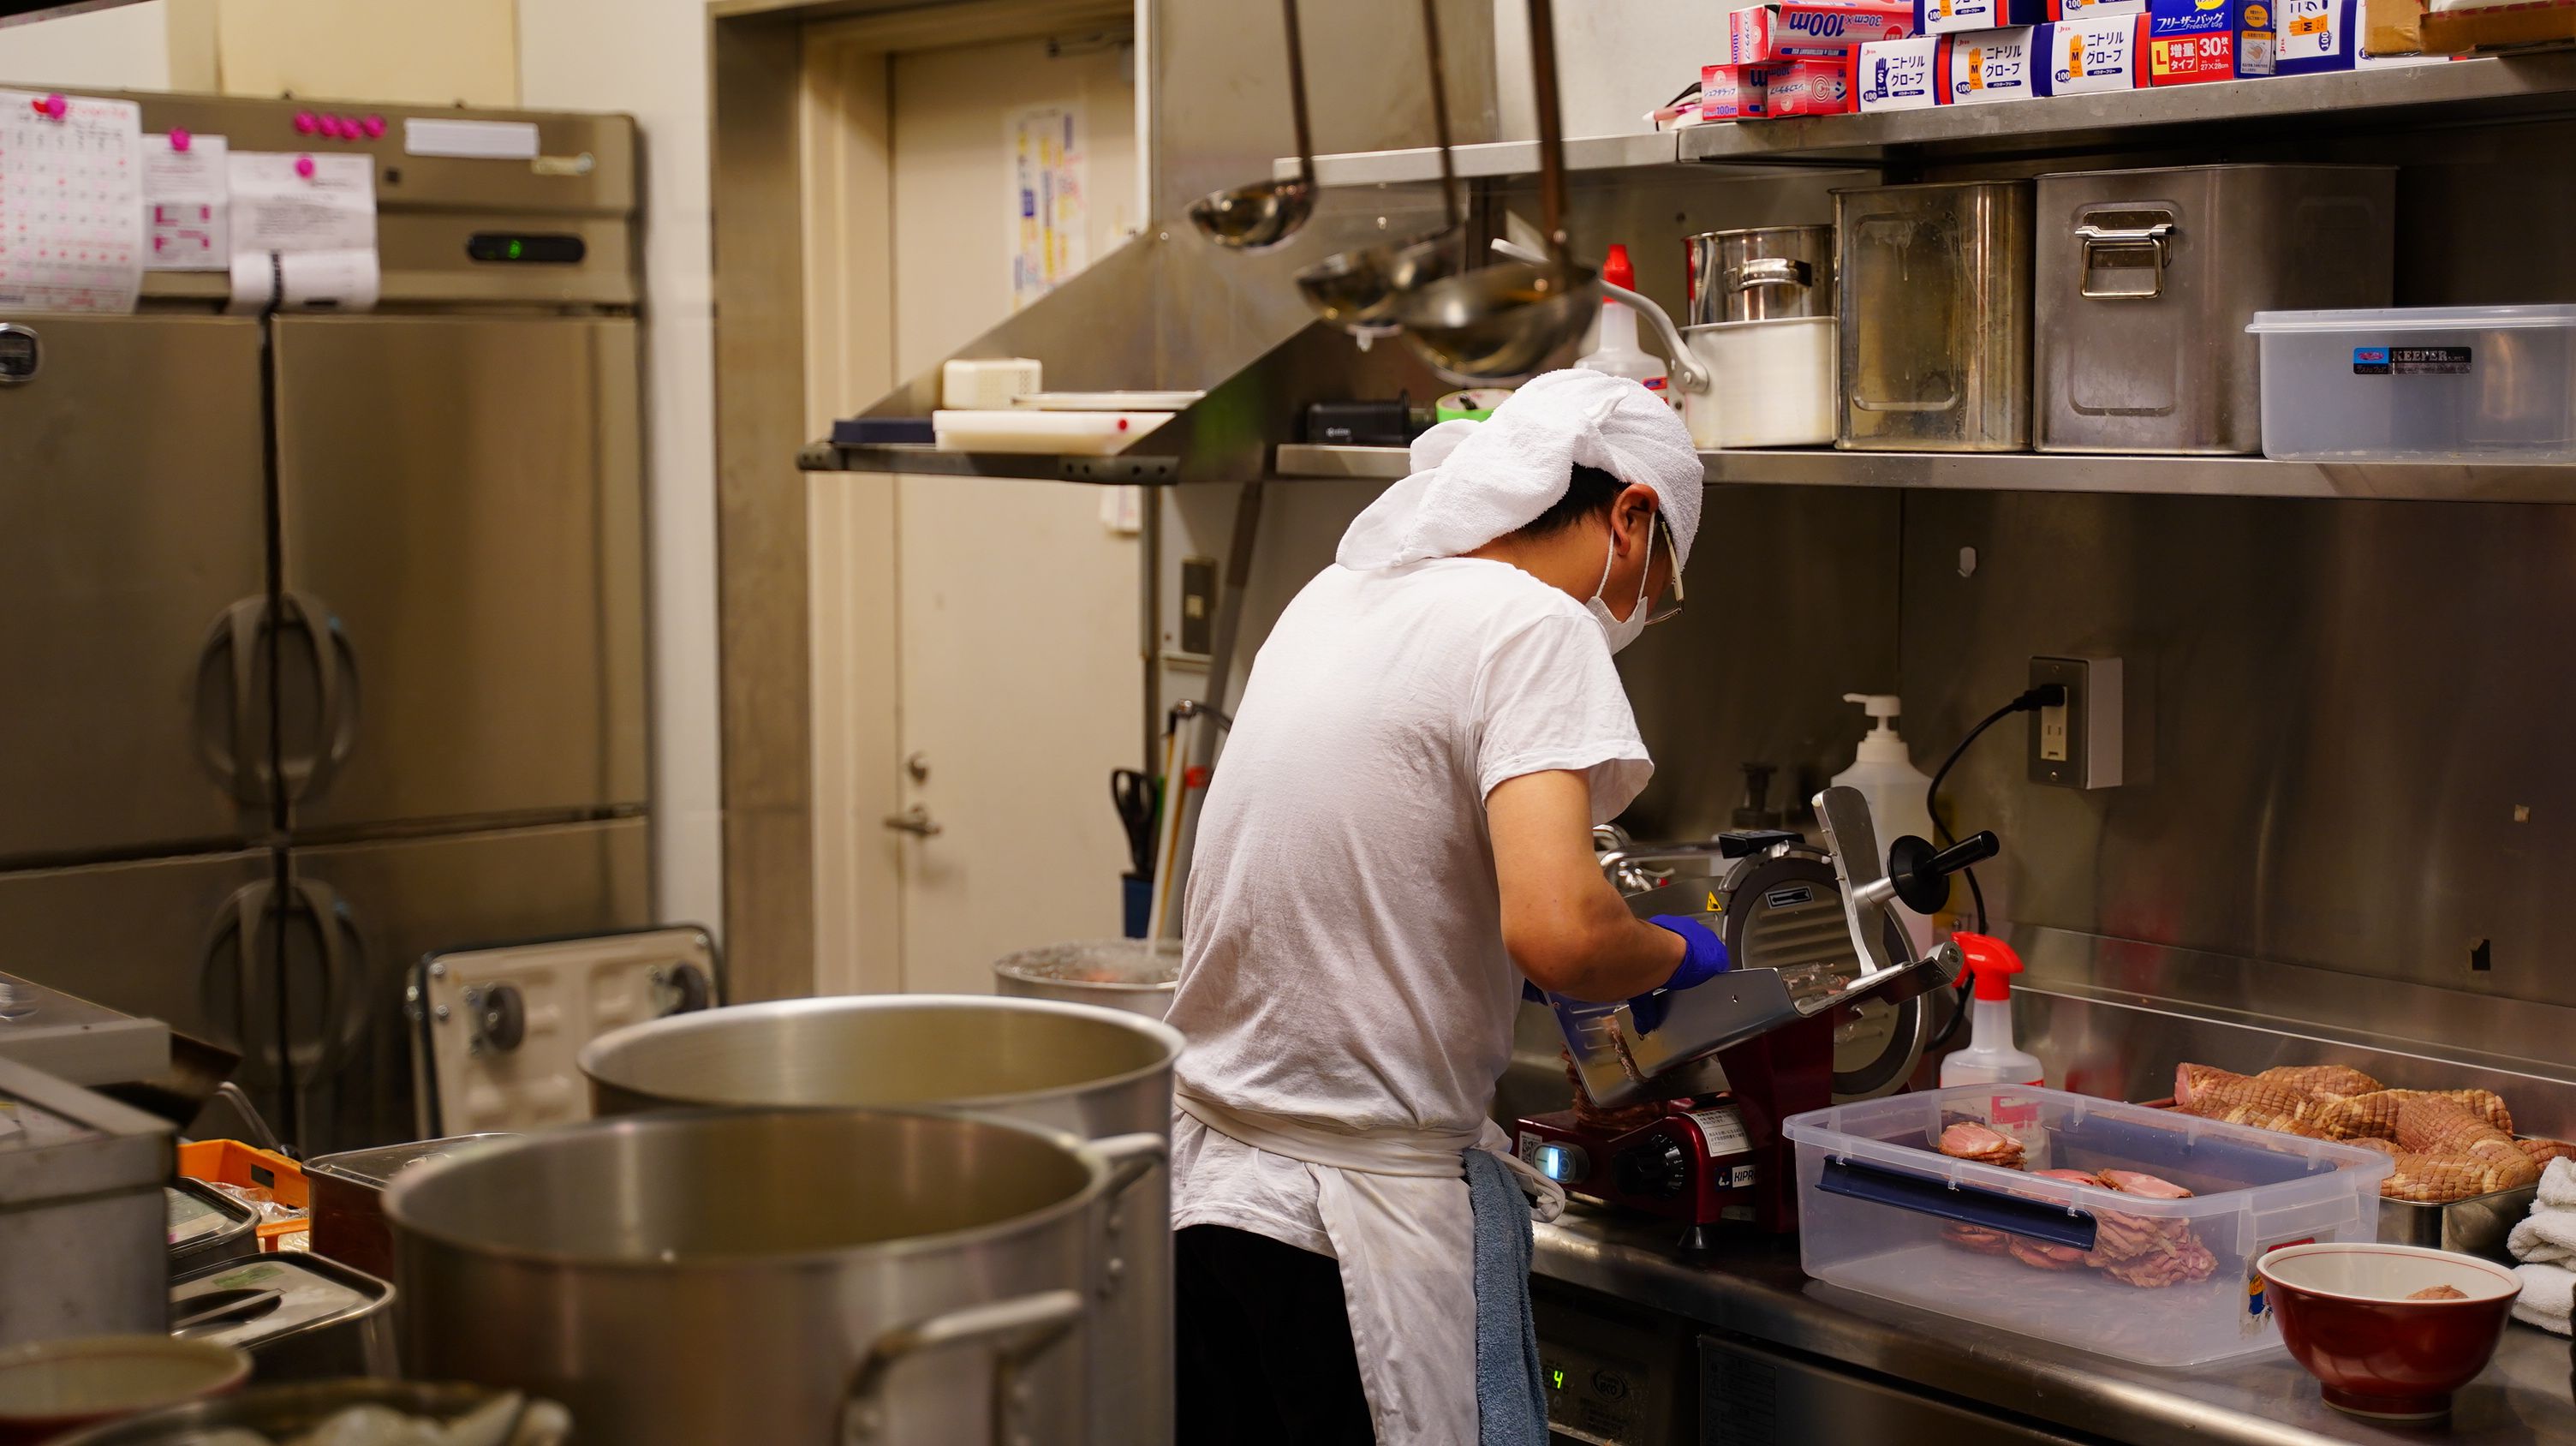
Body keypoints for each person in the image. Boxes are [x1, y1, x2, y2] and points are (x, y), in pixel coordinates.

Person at [1166, 370, 1729, 1445]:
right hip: (1346, 1236)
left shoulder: (1340, 593)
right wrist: (1675, 952)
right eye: (1660, 579)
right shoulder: (1530, 626)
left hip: (1211, 1199)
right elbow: (1561, 928)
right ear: (1630, 512)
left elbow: (1371, 870)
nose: (1646, 608)